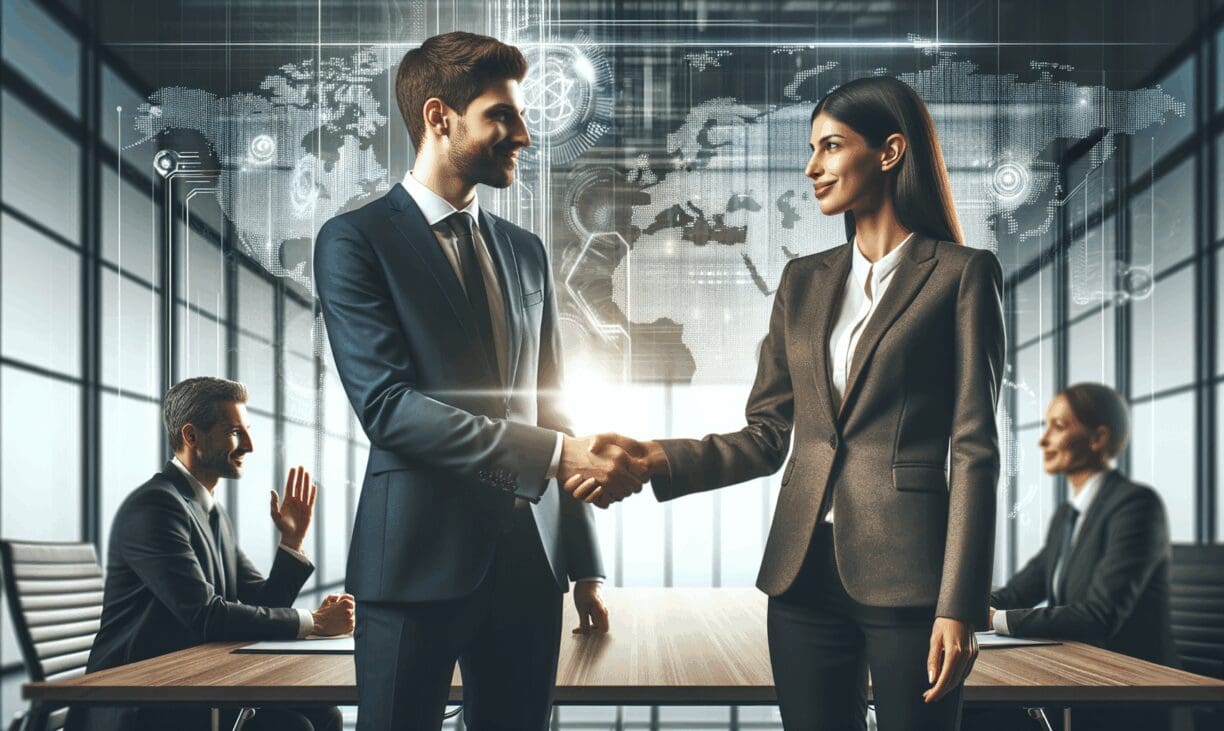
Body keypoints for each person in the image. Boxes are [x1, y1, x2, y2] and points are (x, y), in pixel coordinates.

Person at [567, 76, 1004, 730]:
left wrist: (959, 604)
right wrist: (654, 457)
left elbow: (975, 450)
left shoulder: (962, 275)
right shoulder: (803, 281)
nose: (812, 167)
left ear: (889, 152)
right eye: (811, 149)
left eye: (830, 147)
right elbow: (768, 435)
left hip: (910, 578)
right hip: (801, 577)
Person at [314, 31, 643, 731]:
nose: (523, 133)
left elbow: (553, 404)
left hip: (529, 566)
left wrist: (583, 560)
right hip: (413, 564)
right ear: (440, 118)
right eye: (503, 114)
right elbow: (389, 407)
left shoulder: (525, 253)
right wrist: (553, 457)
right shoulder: (354, 241)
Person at [67, 377, 353, 731]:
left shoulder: (210, 512)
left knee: (323, 715)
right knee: (295, 727)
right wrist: (315, 621)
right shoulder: (156, 507)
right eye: (235, 432)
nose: (248, 445)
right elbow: (205, 616)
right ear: (191, 436)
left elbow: (261, 600)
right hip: (141, 702)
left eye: (247, 431)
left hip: (189, 687)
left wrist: (291, 542)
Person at [979, 382, 1177, 731]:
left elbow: (1099, 616)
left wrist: (995, 619)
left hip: (1122, 695)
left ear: (1098, 438)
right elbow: (1020, 591)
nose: (1044, 441)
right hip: (1076, 680)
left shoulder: (1136, 507)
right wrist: (960, 608)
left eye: (1058, 426)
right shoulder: (1067, 517)